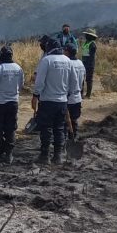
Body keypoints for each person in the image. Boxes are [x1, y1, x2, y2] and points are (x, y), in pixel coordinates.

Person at [32, 37, 79, 165]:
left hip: (47, 101)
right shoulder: (68, 61)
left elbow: (39, 81)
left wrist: (35, 95)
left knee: (46, 128)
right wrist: (68, 95)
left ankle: (44, 155)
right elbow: (74, 83)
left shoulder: (46, 60)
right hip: (62, 101)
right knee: (59, 128)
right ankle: (58, 156)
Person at [64, 43, 86, 140]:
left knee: (64, 122)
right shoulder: (80, 63)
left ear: (67, 52)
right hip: (78, 97)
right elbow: (83, 80)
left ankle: (65, 142)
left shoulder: (67, 64)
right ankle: (74, 138)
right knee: (74, 120)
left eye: (64, 51)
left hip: (68, 97)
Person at [80, 28, 98, 98]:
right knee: (82, 78)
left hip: (89, 64)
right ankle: (81, 94)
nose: (86, 36)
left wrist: (88, 64)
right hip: (84, 63)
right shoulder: (86, 43)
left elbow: (91, 56)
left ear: (91, 36)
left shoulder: (92, 44)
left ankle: (88, 95)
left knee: (89, 79)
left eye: (87, 35)